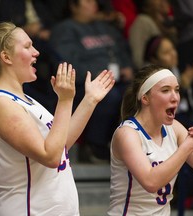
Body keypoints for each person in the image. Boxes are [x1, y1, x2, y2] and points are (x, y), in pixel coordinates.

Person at [0, 21, 115, 215]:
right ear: (6, 57)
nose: (36, 52)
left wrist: (89, 101)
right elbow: (50, 156)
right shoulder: (1, 104)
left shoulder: (26, 100)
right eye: (28, 46)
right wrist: (64, 100)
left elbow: (60, 147)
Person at [107, 64, 193, 215]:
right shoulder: (127, 134)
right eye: (166, 90)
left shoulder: (174, 128)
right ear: (145, 98)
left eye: (177, 90)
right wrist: (186, 148)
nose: (175, 97)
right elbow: (150, 182)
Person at [49, 0, 134, 162]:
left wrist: (127, 67)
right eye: (87, 2)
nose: (93, 5)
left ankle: (128, 145)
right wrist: (99, 75)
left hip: (117, 80)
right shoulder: (65, 29)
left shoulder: (106, 28)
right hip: (83, 85)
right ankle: (94, 146)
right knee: (110, 95)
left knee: (135, 94)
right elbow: (67, 64)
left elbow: (123, 51)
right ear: (73, 6)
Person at [144, 35, 193, 127]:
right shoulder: (150, 79)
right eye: (166, 53)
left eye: (173, 49)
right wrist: (183, 87)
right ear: (154, 59)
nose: (173, 54)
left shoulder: (175, 69)